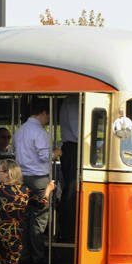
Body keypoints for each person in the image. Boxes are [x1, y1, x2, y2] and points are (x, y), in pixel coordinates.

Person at [13, 99, 61, 264]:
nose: (48, 119)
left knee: (24, 218)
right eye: (48, 115)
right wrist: (55, 153)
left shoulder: (19, 132)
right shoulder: (40, 133)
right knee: (39, 219)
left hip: (22, 179)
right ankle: (38, 256)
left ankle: (24, 254)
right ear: (42, 112)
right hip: (39, 179)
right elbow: (44, 157)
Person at [57, 95, 79, 241]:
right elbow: (79, 132)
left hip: (72, 148)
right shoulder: (73, 101)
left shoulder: (71, 100)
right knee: (71, 191)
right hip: (73, 148)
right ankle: (69, 233)